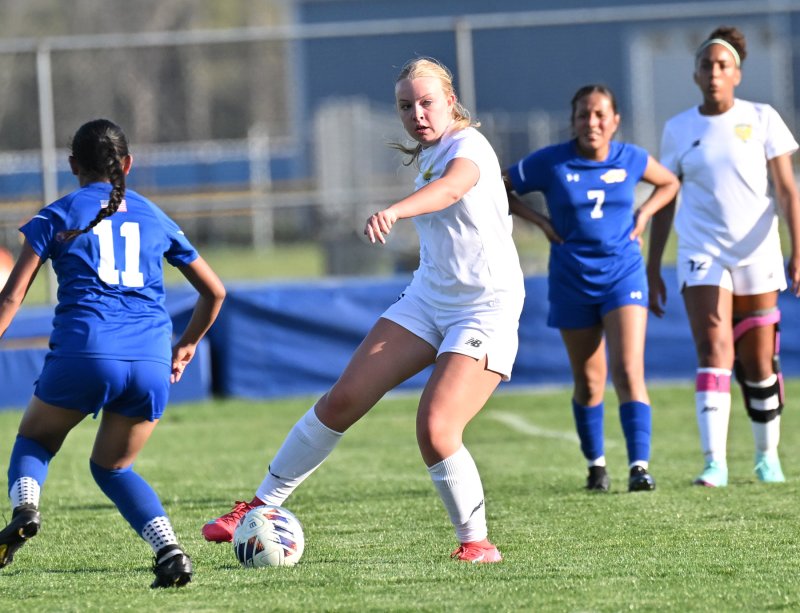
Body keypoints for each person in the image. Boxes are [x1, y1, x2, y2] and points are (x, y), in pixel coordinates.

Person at [202, 57, 525, 563]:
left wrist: (396, 209)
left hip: (484, 308)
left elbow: (454, 187)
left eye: (426, 102)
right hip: (428, 298)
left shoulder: (469, 146)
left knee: (437, 427)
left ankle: (477, 544)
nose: (416, 113)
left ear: (450, 100)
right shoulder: (430, 151)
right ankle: (257, 508)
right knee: (343, 398)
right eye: (405, 105)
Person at [0, 119, 226, 587]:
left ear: (72, 166)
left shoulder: (56, 215)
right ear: (127, 164)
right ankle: (170, 550)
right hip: (150, 361)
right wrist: (186, 345)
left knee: (36, 441)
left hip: (85, 352)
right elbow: (215, 291)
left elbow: (11, 297)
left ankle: (26, 507)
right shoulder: (154, 215)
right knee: (114, 467)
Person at [504, 85, 680, 492]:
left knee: (628, 369)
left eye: (600, 115)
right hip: (571, 277)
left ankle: (639, 467)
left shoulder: (632, 158)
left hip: (623, 275)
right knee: (588, 380)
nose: (592, 123)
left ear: (615, 120)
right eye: (584, 115)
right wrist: (541, 223)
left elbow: (669, 184)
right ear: (573, 120)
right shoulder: (552, 161)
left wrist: (644, 213)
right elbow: (500, 185)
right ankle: (596, 465)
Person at [648, 26, 800, 487]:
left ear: (737, 73)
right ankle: (713, 462)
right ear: (695, 75)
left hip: (758, 252)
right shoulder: (678, 128)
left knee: (757, 363)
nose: (714, 73)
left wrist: (797, 249)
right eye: (706, 66)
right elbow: (666, 197)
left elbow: (787, 189)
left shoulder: (763, 117)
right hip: (702, 252)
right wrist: (653, 264)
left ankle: (765, 457)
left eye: (723, 65)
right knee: (714, 348)